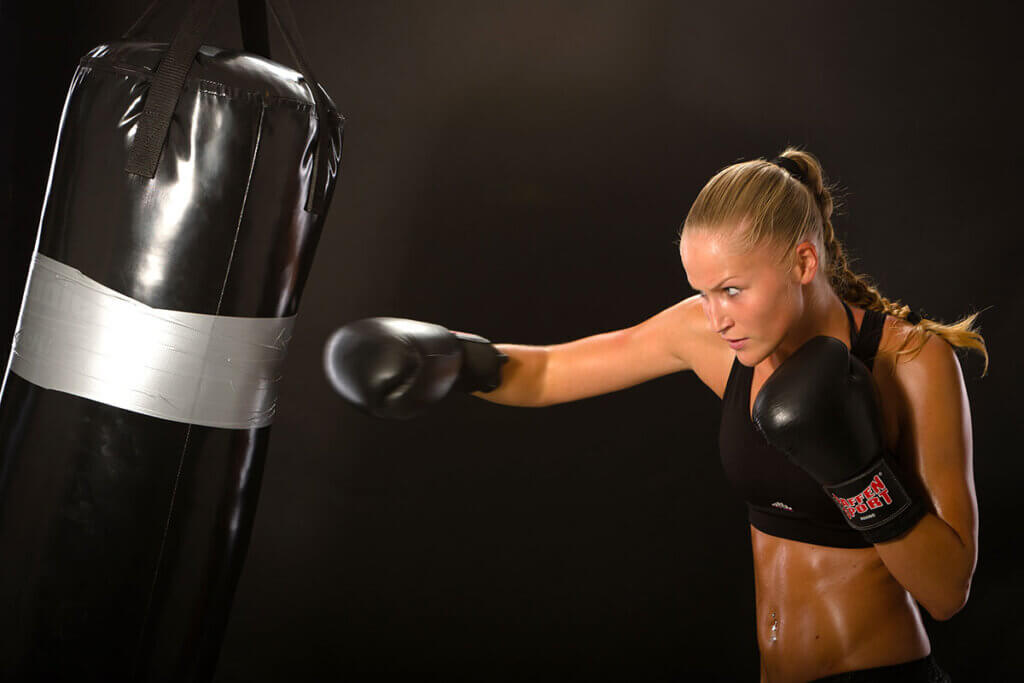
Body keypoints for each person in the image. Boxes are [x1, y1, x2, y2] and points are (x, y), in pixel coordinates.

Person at [323, 147, 986, 682]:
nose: (715, 315)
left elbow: (947, 589)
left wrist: (856, 471)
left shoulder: (909, 360)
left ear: (803, 262)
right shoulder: (713, 335)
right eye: (701, 292)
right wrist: (453, 360)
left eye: (732, 289)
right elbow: (553, 369)